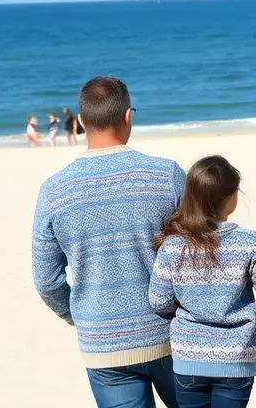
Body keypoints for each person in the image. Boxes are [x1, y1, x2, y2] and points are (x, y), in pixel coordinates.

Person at [32, 77, 186, 408]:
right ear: (128, 116)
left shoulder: (54, 191)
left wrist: (78, 315)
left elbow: (47, 281)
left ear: (82, 121)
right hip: (173, 335)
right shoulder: (167, 175)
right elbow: (199, 252)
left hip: (103, 344)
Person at [149, 155, 256, 408]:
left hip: (188, 358)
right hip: (235, 359)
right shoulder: (249, 243)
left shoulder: (173, 246)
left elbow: (159, 300)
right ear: (230, 198)